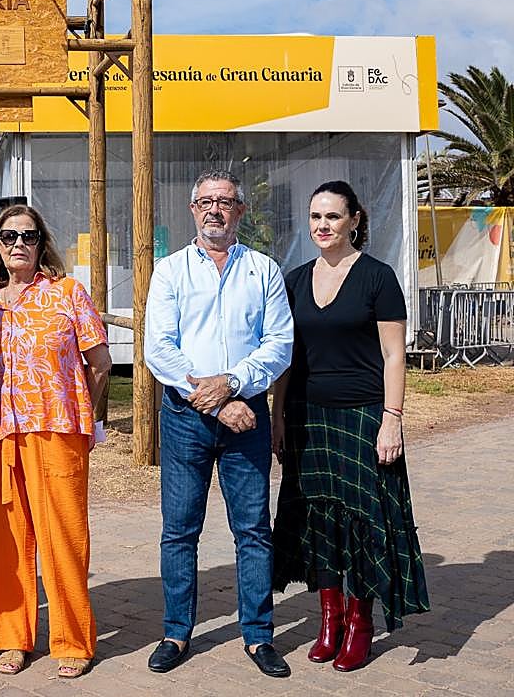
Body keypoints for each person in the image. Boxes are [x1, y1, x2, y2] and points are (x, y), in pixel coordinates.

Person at [272, 180, 429, 671]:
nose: (322, 225)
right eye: (316, 216)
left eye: (333, 217)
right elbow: (287, 360)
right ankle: (329, 620)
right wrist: (277, 416)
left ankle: (361, 624)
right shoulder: (293, 280)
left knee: (363, 522)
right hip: (306, 416)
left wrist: (392, 420)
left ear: (354, 221)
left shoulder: (378, 277)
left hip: (363, 415)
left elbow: (393, 356)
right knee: (319, 520)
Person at [144, 170, 294, 678]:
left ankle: (258, 636)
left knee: (252, 530)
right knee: (179, 530)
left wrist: (232, 383)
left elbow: (279, 344)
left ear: (240, 212)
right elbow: (159, 348)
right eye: (206, 201)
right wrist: (211, 399)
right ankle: (175, 631)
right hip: (188, 417)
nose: (215, 210)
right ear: (192, 210)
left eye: (225, 202)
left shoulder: (264, 270)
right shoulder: (169, 272)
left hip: (245, 416)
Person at [0, 205, 111, 679]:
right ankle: (12, 639)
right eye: (8, 237)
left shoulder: (68, 293)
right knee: (3, 543)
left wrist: (84, 416)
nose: (18, 245)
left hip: (56, 430)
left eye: (28, 237)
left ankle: (72, 639)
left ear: (41, 243)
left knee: (63, 539)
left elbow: (101, 363)